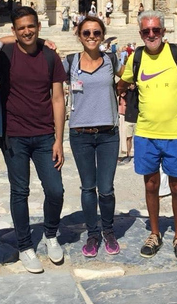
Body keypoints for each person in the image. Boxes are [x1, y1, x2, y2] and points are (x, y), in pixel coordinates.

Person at [116, 10, 177, 264]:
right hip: (146, 133)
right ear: (141, 34)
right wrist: (122, 95)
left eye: (156, 30)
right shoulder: (136, 57)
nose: (151, 34)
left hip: (176, 133)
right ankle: (154, 232)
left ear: (163, 31)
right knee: (150, 186)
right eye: (146, 31)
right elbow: (122, 80)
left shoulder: (176, 52)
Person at [0, 6, 67, 273]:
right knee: (20, 191)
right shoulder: (6, 52)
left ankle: (50, 234)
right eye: (21, 28)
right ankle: (25, 245)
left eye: (31, 26)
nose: (27, 31)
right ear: (14, 31)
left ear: (38, 26)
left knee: (55, 190)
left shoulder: (50, 56)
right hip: (14, 135)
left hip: (44, 135)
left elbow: (58, 98)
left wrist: (59, 139)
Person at [64, 15, 123, 258]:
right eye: (86, 33)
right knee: (88, 187)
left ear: (102, 35)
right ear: (79, 35)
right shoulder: (69, 62)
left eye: (96, 33)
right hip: (80, 134)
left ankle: (108, 230)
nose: (91, 37)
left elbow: (129, 78)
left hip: (108, 133)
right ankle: (92, 233)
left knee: (106, 188)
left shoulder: (111, 59)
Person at [117, 92, 135, 163]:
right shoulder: (117, 96)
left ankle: (127, 154)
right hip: (119, 116)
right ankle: (120, 154)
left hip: (127, 117)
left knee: (127, 137)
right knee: (121, 137)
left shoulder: (128, 95)